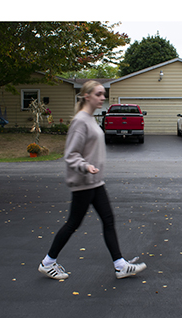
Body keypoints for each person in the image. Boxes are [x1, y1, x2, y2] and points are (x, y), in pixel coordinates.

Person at [38, 80, 146, 282]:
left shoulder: (89, 119)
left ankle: (120, 265)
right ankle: (47, 262)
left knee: (108, 220)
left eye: (103, 94)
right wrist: (86, 166)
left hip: (95, 182)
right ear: (87, 96)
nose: (102, 98)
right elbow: (71, 155)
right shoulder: (80, 121)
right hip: (84, 181)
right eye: (98, 94)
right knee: (73, 223)